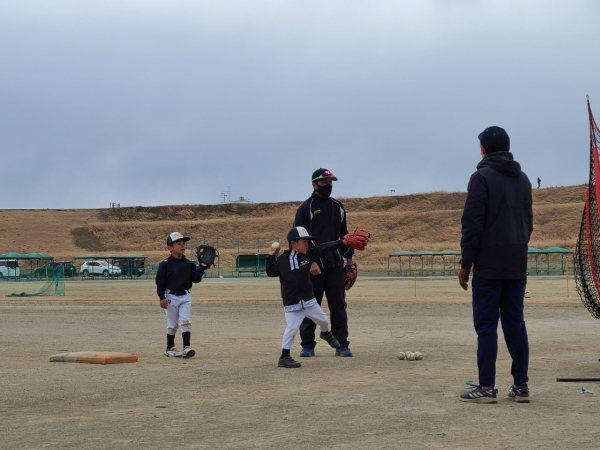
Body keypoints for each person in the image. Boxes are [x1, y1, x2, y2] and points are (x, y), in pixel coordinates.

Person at [458, 126, 533, 404]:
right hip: (516, 261)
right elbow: (528, 222)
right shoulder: (523, 179)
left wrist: (466, 264)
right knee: (515, 322)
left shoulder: (481, 177)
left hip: (489, 264)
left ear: (483, 149)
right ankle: (521, 385)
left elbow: (472, 224)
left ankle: (487, 387)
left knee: (487, 324)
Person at [266, 226, 352, 368]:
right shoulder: (281, 261)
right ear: (294, 243)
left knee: (323, 320)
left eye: (308, 241)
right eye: (304, 242)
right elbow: (270, 272)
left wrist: (342, 242)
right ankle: (284, 356)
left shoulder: (309, 255)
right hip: (293, 304)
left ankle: (325, 333)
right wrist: (271, 256)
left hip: (309, 302)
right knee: (291, 329)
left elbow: (324, 248)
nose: (307, 244)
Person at [294, 168, 354, 357]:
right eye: (323, 182)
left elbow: (345, 236)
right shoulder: (306, 208)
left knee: (338, 306)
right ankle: (307, 345)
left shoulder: (338, 206)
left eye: (330, 182)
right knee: (310, 306)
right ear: (314, 184)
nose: (328, 185)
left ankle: (342, 345)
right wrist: (309, 262)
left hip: (335, 264)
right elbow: (298, 240)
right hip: (314, 266)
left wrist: (350, 259)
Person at [155, 232, 207, 358]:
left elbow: (195, 279)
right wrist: (162, 297)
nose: (182, 246)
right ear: (170, 248)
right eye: (178, 244)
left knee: (186, 321)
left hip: (185, 296)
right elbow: (160, 281)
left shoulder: (188, 264)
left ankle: (186, 347)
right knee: (173, 324)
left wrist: (202, 268)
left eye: (183, 243)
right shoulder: (165, 264)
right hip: (170, 296)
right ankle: (170, 347)